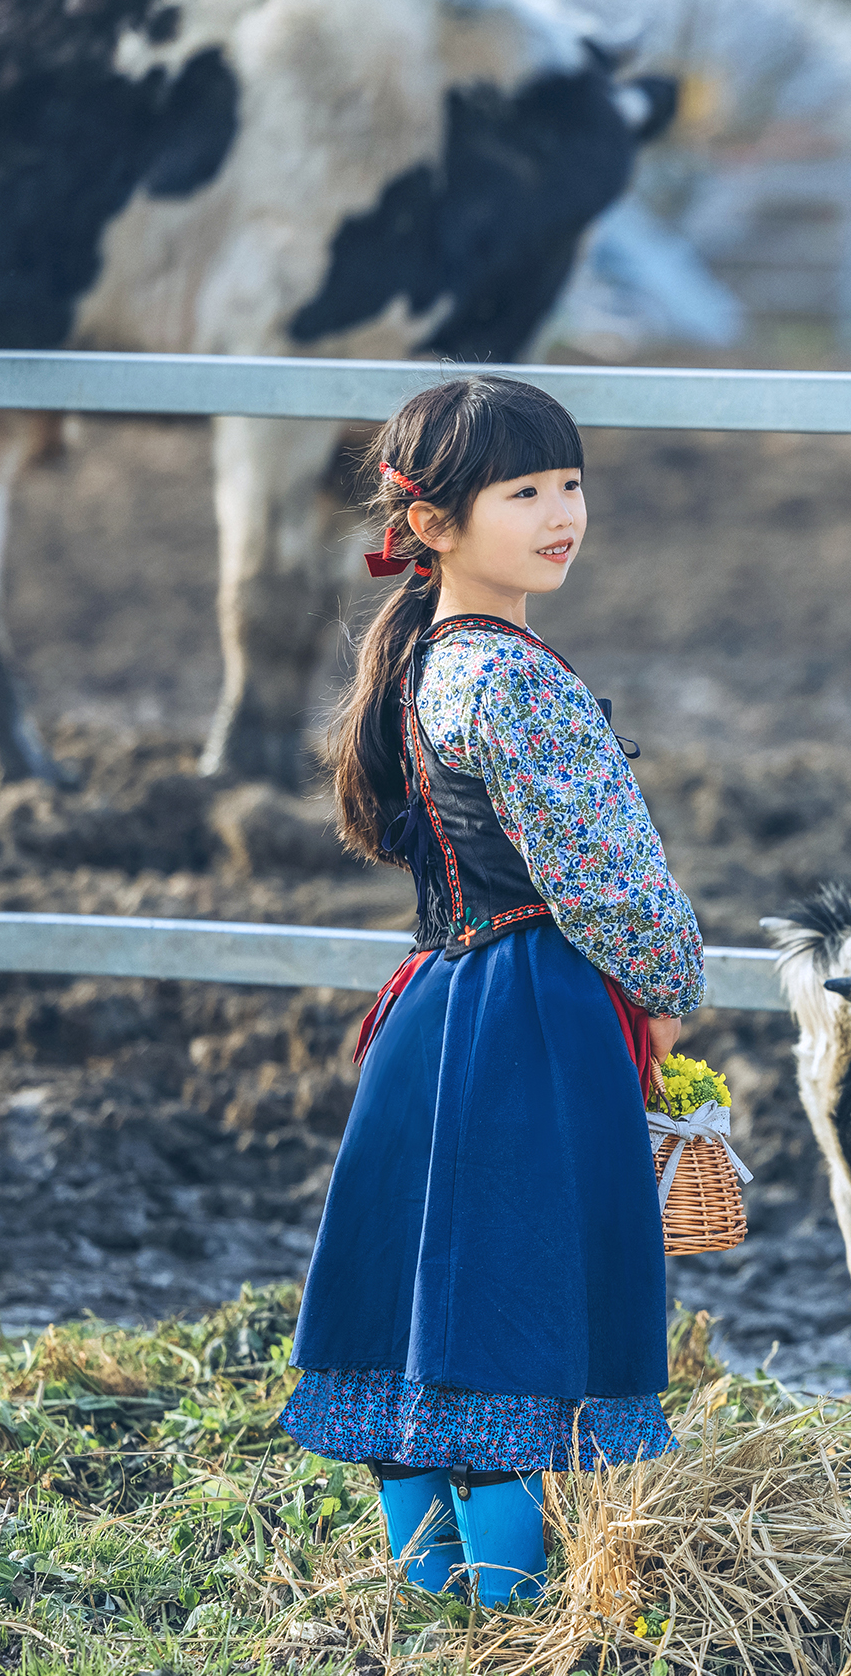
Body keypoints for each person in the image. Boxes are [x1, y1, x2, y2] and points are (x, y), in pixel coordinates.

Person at [280, 374, 704, 1605]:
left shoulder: (426, 663)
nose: (562, 512)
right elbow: (609, 879)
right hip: (532, 1020)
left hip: (438, 1012)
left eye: (570, 483)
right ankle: (512, 1620)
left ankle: (433, 1602)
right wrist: (666, 988)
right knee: (510, 1312)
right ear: (433, 525)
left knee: (426, 1307)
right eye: (523, 492)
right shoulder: (519, 681)